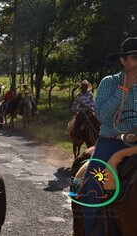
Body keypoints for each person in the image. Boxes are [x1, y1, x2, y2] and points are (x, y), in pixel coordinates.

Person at [79, 37, 137, 236]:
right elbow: (102, 116)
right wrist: (124, 90)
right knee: (91, 193)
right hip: (111, 143)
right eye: (134, 58)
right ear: (123, 61)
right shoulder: (109, 83)